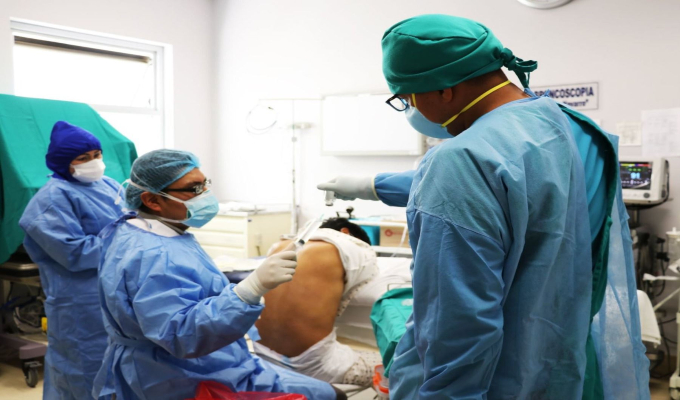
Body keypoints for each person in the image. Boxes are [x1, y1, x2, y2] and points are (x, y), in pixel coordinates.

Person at [318, 14, 648, 400]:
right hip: (565, 357)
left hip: (498, 378)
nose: (411, 110)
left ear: (445, 90)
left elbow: (458, 323)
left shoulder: (461, 160)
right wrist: (373, 185)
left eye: (406, 99)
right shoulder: (574, 128)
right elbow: (513, 189)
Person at [93, 149, 343, 400]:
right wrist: (250, 289)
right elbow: (180, 335)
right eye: (194, 189)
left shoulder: (143, 230)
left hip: (209, 363)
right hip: (182, 376)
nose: (205, 195)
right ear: (153, 200)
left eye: (205, 184)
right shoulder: (153, 254)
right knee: (330, 395)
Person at [19, 121, 124, 400]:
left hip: (115, 292)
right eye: (83, 158)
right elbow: (74, 253)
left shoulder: (109, 185)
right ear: (64, 163)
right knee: (82, 369)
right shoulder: (50, 200)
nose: (94, 162)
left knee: (119, 367)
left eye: (97, 154)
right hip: (80, 302)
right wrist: (127, 242)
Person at [254, 218, 382, 387]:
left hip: (261, 355)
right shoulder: (357, 248)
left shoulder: (279, 246)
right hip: (312, 364)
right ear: (345, 232)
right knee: (390, 366)